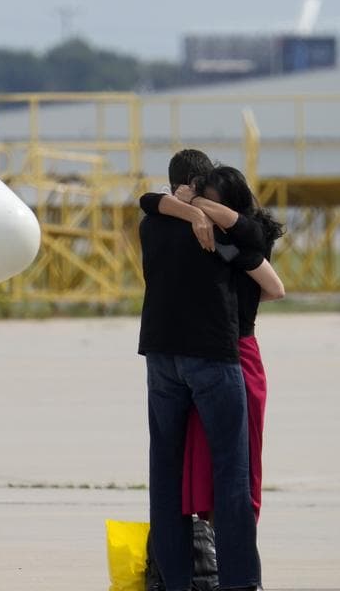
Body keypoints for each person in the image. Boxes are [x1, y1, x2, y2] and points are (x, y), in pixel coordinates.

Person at [137, 149, 260, 591]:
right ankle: (240, 581)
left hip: (161, 355)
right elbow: (256, 237)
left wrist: (182, 205)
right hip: (211, 355)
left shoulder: (152, 224)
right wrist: (202, 211)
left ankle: (175, 581)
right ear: (202, 183)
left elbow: (147, 201)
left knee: (164, 476)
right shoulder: (224, 230)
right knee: (231, 473)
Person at [143, 165, 285, 526]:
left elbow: (276, 289)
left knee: (240, 458)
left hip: (238, 354)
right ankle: (212, 541)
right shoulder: (211, 240)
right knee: (204, 459)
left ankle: (237, 540)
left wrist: (235, 308)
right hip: (210, 354)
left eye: (209, 199)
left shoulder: (243, 243)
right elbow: (148, 200)